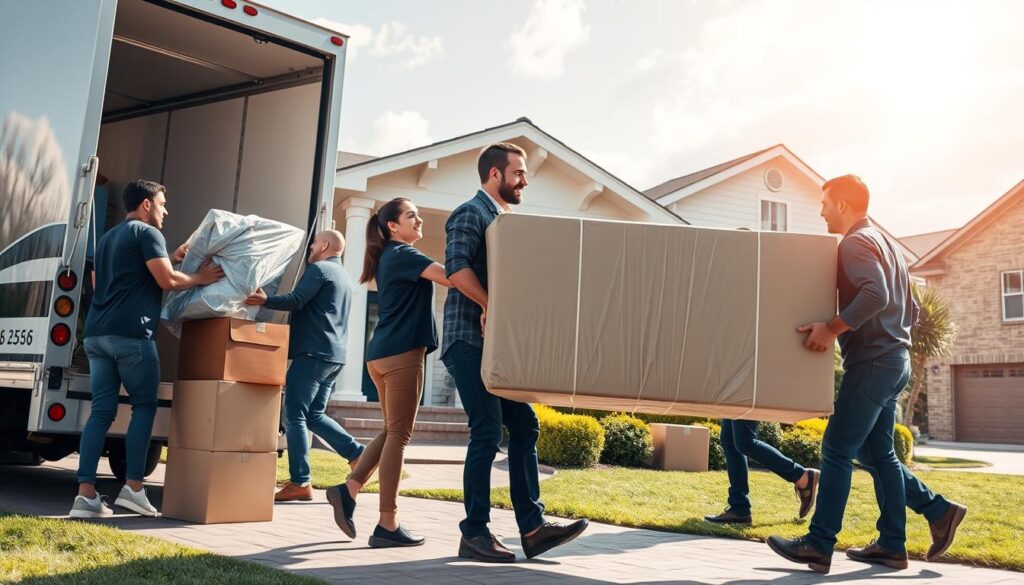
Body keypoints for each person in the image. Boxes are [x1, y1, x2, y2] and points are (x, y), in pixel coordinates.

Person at [766, 175, 967, 573]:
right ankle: (899, 540)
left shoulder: (855, 243)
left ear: (843, 205)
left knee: (837, 449)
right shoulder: (888, 244)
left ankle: (819, 543)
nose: (821, 210)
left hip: (875, 362)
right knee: (879, 454)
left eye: (825, 203)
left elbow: (876, 294)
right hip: (895, 360)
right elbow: (911, 309)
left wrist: (833, 328)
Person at [441, 143, 589, 563]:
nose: (525, 180)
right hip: (468, 340)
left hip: (497, 344)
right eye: (519, 173)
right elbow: (455, 270)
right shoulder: (472, 212)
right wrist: (490, 304)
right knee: (487, 432)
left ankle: (533, 528)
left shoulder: (503, 220)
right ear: (494, 175)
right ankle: (474, 533)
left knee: (524, 426)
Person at [71, 179, 224, 519]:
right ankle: (134, 488)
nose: (165, 210)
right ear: (146, 205)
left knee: (100, 412)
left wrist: (167, 258)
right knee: (143, 406)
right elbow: (167, 281)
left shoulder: (109, 236)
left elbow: (101, 283)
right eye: (162, 204)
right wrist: (200, 277)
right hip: (132, 336)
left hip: (97, 336)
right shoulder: (148, 234)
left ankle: (85, 496)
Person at [325, 197, 450, 547]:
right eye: (412, 215)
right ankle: (387, 524)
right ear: (393, 226)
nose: (420, 219)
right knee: (400, 436)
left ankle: (348, 490)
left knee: (391, 429)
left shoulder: (389, 257)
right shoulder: (404, 254)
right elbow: (450, 278)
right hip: (402, 355)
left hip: (379, 355)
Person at [246, 230, 365, 502]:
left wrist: (265, 300)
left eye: (313, 244)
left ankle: (301, 482)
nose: (310, 249)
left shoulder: (320, 269)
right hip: (334, 356)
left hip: (312, 353)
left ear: (324, 245)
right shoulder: (344, 277)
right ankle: (357, 454)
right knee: (313, 415)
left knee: (293, 414)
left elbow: (297, 300)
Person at [704, 419, 819, 525]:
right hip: (735, 396)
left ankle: (800, 475)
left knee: (745, 442)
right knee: (729, 441)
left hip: (747, 396)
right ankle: (739, 508)